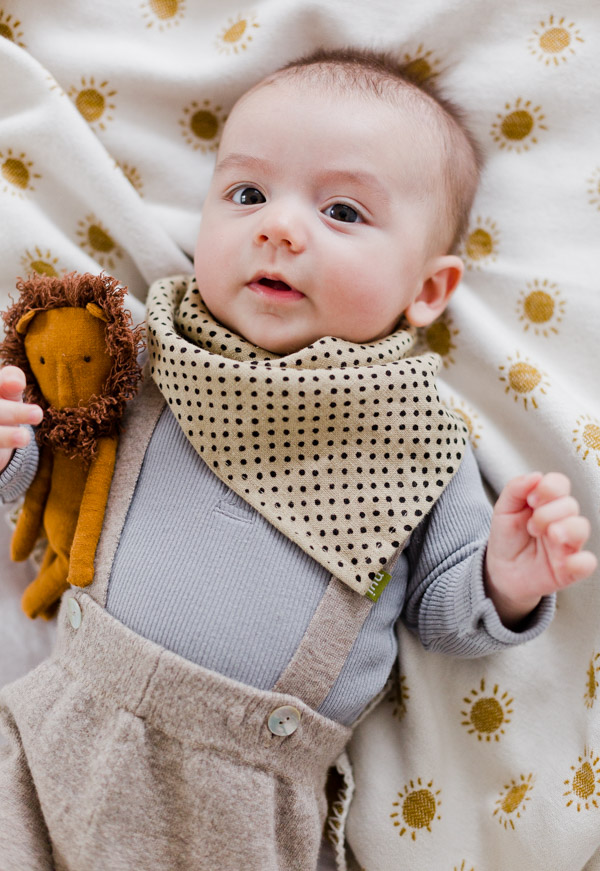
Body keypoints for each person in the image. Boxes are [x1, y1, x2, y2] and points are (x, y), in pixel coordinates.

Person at [0, 48, 596, 871]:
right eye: (247, 195)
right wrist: (10, 450)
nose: (278, 227)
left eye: (343, 211)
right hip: (54, 734)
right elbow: (61, 467)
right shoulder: (157, 360)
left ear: (428, 290)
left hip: (246, 799)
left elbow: (440, 614)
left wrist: (506, 576)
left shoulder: (416, 438)